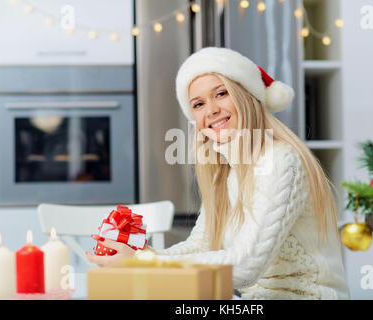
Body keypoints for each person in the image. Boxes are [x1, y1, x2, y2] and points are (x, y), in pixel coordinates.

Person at [87, 47, 350, 300]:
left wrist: (146, 263)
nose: (211, 110)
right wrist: (147, 255)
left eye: (221, 93)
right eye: (198, 104)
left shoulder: (280, 159)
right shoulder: (226, 171)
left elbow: (246, 265)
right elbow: (200, 245)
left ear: (247, 95)